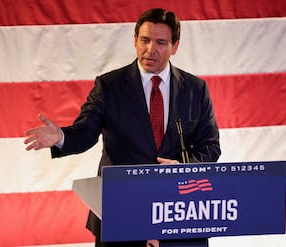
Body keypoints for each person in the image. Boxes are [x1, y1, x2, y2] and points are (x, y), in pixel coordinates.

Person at [24, 8, 221, 247]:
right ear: (135, 40)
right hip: (121, 208)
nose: (150, 49)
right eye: (144, 40)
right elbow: (85, 133)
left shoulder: (195, 89)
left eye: (160, 42)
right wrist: (61, 137)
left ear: (175, 46)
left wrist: (183, 167)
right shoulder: (109, 85)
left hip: (178, 209)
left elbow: (210, 147)